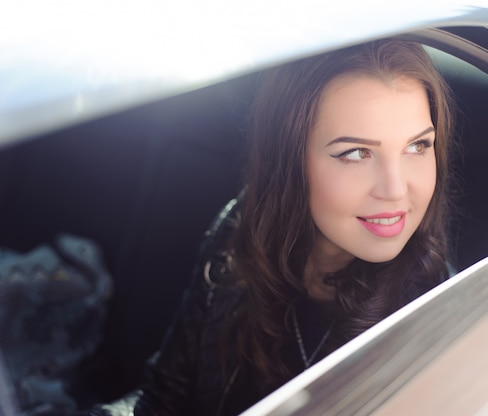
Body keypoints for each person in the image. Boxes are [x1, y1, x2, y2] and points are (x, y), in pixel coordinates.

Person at [77, 36, 454, 415]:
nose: (395, 189)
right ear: (289, 160)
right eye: (357, 153)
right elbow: (163, 398)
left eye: (417, 147)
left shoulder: (441, 319)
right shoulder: (240, 231)